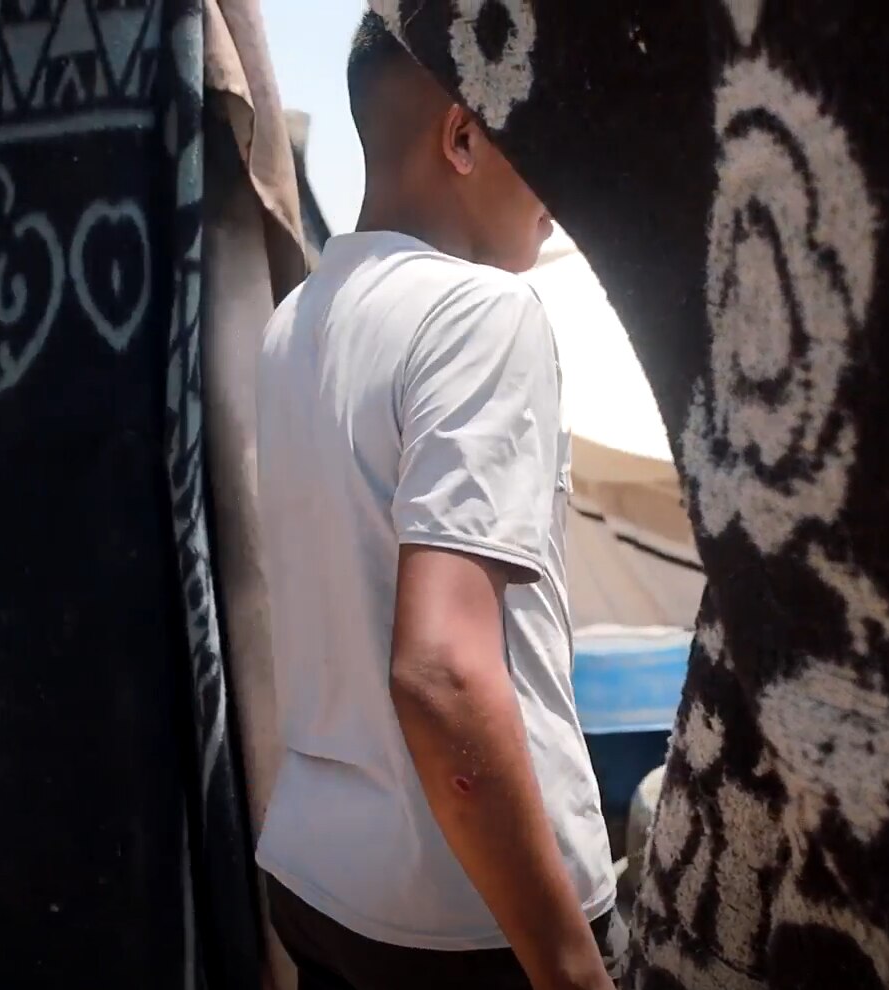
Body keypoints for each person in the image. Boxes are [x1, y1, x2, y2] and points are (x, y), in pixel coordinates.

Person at [250, 12, 622, 990]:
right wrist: (568, 963)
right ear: (462, 136)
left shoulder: (295, 323)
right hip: (471, 917)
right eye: (544, 152)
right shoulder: (481, 312)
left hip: (316, 883)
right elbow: (442, 671)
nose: (560, 199)